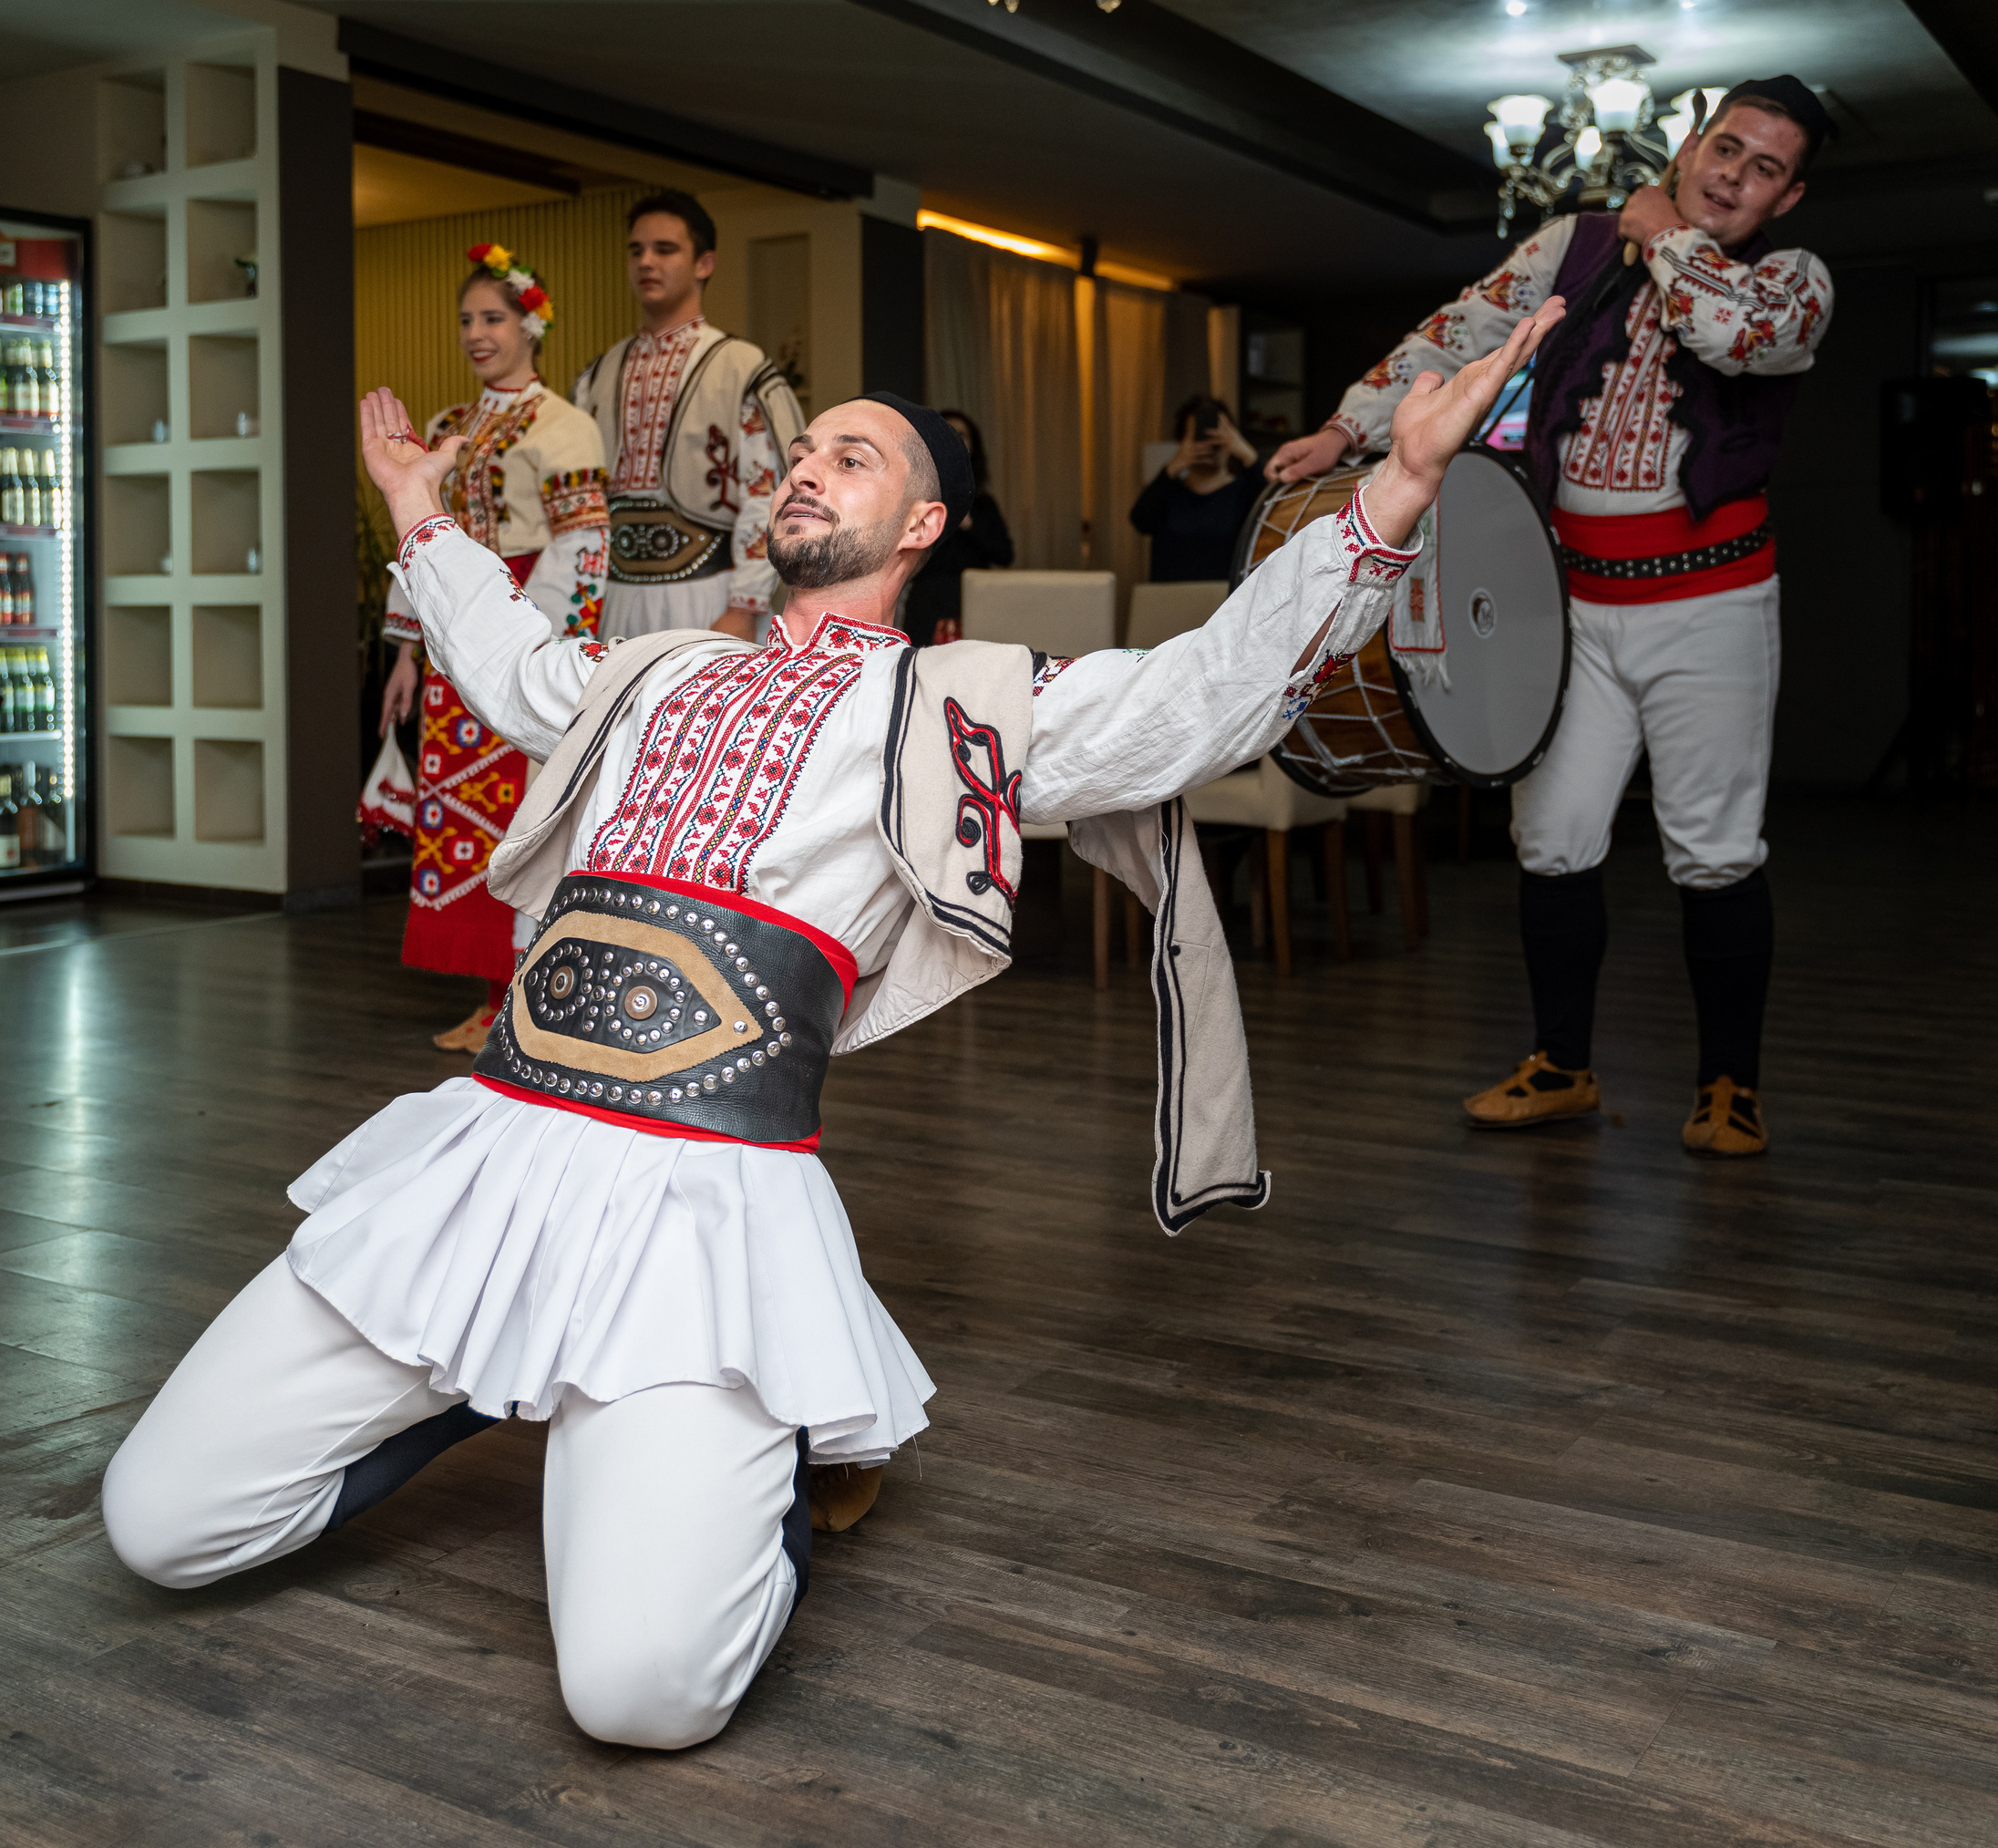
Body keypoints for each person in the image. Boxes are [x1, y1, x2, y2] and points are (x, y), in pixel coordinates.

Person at [100, 296, 1559, 1751]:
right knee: (160, 1523)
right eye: (805, 453)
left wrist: (1397, 488)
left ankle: (785, 1448)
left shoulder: (965, 708)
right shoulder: (660, 668)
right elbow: (509, 665)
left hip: (702, 1204)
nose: (807, 466)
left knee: (641, 1696)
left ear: (923, 525)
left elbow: (1203, 691)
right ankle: (489, 1372)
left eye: (853, 458)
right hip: (487, 1154)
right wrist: (419, 509)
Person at [1267, 77, 1835, 1159]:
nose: (1733, 175)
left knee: (1713, 848)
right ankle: (1561, 1063)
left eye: (1764, 167)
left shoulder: (1792, 283)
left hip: (1710, 604)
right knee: (1552, 838)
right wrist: (1347, 428)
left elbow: (1728, 336)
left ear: (1787, 197)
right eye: (1724, 147)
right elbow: (1459, 333)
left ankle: (1729, 1085)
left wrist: (1660, 234)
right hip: (1568, 602)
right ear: (1690, 144)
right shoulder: (1574, 244)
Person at [376, 243, 609, 1054]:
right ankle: (488, 996)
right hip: (453, 644)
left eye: (494, 319)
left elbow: (584, 546)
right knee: (466, 820)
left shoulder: (565, 425)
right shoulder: (448, 426)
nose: (477, 334)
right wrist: (406, 652)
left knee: (521, 812)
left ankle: (525, 998)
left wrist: (549, 651)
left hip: (525, 634)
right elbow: (422, 540)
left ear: (530, 325)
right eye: (467, 320)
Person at [572, 190, 805, 644]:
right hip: (613, 595)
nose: (646, 262)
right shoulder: (598, 375)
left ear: (704, 263)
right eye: (636, 250)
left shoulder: (740, 366)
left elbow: (768, 492)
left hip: (711, 593)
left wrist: (744, 604)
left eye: (665, 249)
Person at [900, 407, 1012, 645]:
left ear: (973, 446)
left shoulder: (983, 504)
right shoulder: (916, 498)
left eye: (961, 434)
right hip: (926, 601)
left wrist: (969, 524)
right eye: (947, 432)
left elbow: (1005, 555)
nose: (954, 439)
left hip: (973, 601)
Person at [1131, 395, 1263, 583]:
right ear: (1182, 439)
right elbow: (1140, 520)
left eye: (1216, 435)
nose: (1208, 443)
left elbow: (1273, 513)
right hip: (1169, 597)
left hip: (1226, 597)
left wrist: (1244, 451)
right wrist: (1175, 464)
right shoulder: (1169, 491)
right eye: (1199, 435)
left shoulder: (1244, 491)